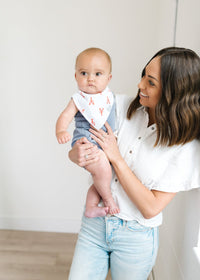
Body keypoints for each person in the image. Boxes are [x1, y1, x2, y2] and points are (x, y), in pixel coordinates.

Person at [68, 47, 200, 280]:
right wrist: (75, 154)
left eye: (150, 82)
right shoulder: (115, 105)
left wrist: (116, 157)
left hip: (135, 238)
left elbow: (150, 208)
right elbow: (81, 142)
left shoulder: (185, 146)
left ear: (173, 91)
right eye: (143, 76)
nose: (139, 85)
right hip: (95, 224)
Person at [56, 47, 120, 218]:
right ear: (76, 76)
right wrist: (61, 130)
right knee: (103, 173)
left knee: (101, 178)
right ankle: (108, 200)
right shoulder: (78, 99)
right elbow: (65, 116)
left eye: (98, 74)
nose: (90, 79)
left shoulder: (109, 97)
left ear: (109, 78)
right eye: (84, 73)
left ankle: (91, 207)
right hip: (87, 142)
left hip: (105, 146)